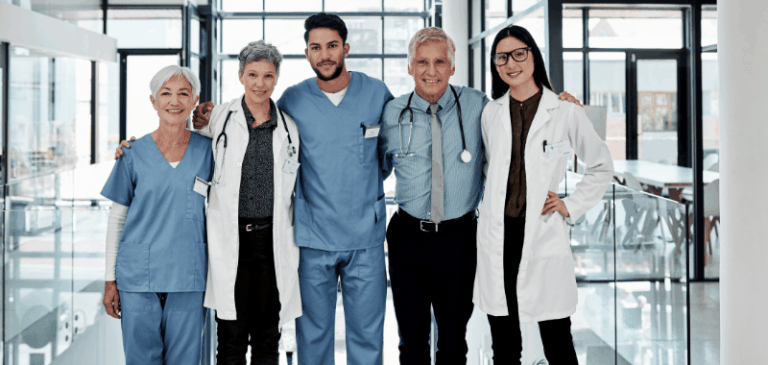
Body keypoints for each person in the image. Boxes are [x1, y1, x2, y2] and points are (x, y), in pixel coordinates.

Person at [193, 13, 393, 365]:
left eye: (332, 46)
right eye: (316, 47)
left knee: (367, 336)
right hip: (312, 236)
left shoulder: (376, 94)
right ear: (307, 53)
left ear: (346, 48)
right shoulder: (293, 100)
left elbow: (388, 155)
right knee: (310, 337)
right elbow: (215, 129)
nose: (325, 55)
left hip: (364, 234)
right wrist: (196, 119)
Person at [115, 41, 302, 365]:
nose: (260, 83)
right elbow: (181, 142)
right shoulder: (220, 118)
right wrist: (131, 146)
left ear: (276, 78)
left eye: (268, 76)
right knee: (230, 339)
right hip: (231, 240)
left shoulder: (289, 128)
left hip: (272, 242)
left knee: (267, 338)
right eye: (253, 74)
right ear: (240, 75)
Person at [476, 25, 614, 364]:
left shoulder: (565, 112)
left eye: (518, 54)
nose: (511, 63)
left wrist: (570, 205)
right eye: (502, 57)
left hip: (541, 233)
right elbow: (490, 171)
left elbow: (601, 166)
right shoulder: (491, 113)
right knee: (504, 344)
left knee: (557, 340)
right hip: (499, 236)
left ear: (533, 56)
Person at [380, 27, 488, 365]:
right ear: (410, 66)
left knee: (453, 342)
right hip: (407, 237)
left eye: (440, 62)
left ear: (452, 67)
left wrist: (559, 107)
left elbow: (517, 124)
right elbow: (374, 167)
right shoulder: (392, 113)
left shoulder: (477, 105)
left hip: (460, 238)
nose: (431, 71)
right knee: (411, 342)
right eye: (422, 62)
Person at [101, 65, 211, 365]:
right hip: (137, 277)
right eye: (166, 93)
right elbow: (117, 220)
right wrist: (110, 279)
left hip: (189, 274)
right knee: (141, 359)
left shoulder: (209, 151)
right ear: (153, 101)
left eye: (183, 94)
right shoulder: (132, 153)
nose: (174, 101)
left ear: (194, 100)